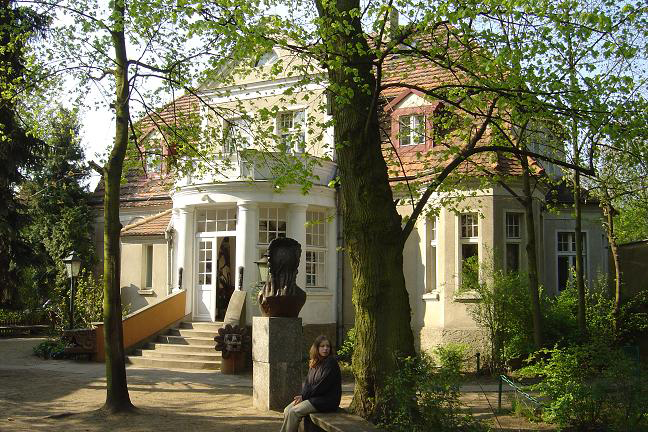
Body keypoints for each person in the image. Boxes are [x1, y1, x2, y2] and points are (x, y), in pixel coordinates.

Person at [280, 335, 342, 432]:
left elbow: (321, 385)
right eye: (322, 346)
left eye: (328, 346)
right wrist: (302, 395)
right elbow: (308, 383)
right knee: (287, 410)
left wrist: (304, 397)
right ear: (317, 348)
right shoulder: (315, 362)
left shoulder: (331, 363)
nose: (325, 348)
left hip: (326, 401)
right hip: (314, 398)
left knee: (293, 412)